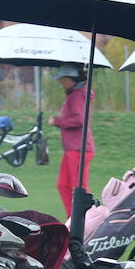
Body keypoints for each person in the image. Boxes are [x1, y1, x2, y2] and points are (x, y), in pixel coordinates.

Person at [50, 63, 95, 217]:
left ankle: (84, 220)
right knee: (63, 185)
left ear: (71, 79)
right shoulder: (74, 93)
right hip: (72, 148)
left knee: (78, 187)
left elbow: (79, 120)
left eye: (62, 79)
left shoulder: (77, 95)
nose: (60, 81)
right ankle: (73, 219)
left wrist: (57, 121)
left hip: (78, 148)